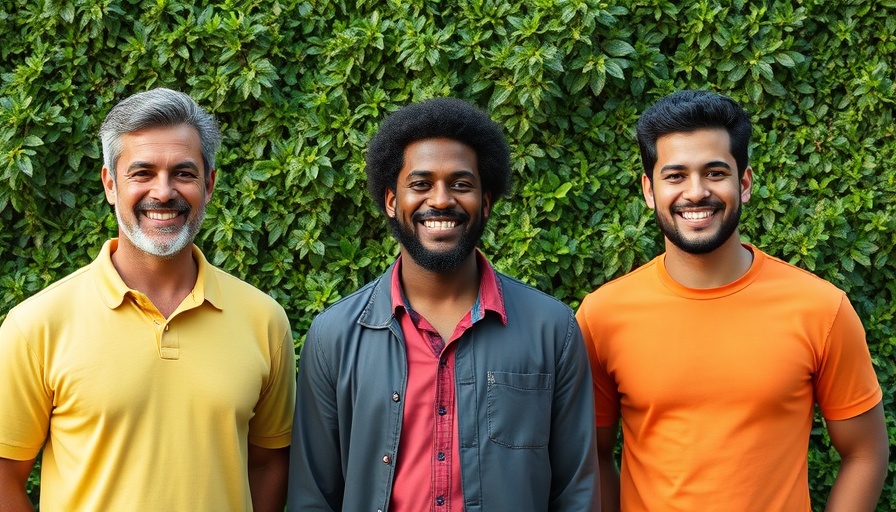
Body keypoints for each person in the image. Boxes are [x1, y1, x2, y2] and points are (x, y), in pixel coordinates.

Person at [577, 89, 889, 512]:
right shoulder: (602, 316)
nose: (695, 192)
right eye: (675, 176)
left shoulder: (821, 308)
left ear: (744, 183)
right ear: (649, 190)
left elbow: (865, 453)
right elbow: (591, 454)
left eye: (715, 172)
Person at [288, 97, 598, 511]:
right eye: (420, 184)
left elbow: (576, 492)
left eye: (461, 184)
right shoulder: (334, 337)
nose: (440, 200)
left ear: (485, 202)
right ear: (391, 201)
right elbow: (312, 497)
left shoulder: (552, 329)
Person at [0, 88, 295, 511]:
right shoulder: (36, 326)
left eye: (184, 173)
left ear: (208, 185)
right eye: (142, 173)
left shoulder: (264, 320)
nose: (163, 192)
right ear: (110, 184)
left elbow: (269, 464)